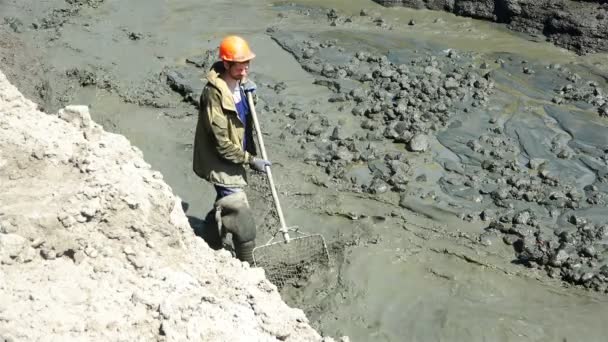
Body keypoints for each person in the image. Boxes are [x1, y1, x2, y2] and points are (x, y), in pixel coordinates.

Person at [192, 35, 271, 263]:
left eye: (247, 64)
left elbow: (244, 120)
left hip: (237, 155)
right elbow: (221, 143)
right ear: (226, 64)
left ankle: (209, 237)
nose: (245, 70)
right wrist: (250, 160)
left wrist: (251, 97)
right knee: (240, 214)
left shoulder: (242, 84)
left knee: (225, 203)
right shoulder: (213, 94)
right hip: (221, 160)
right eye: (240, 66)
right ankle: (247, 265)